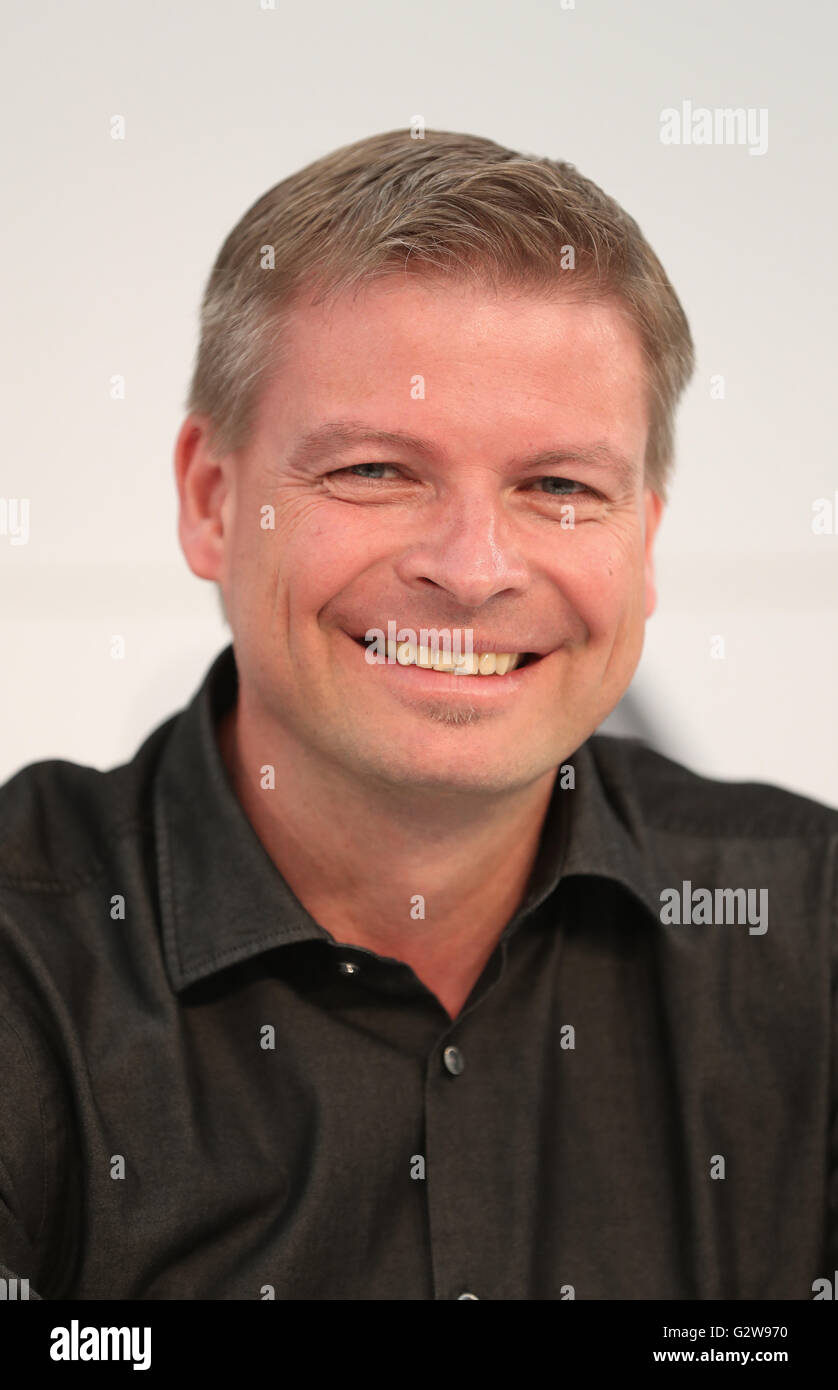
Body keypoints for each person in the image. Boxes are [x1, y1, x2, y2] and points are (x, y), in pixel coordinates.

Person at [1, 128, 835, 1301]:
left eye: (558, 486)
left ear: (643, 540)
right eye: (375, 471)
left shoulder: (812, 930)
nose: (474, 567)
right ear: (210, 500)